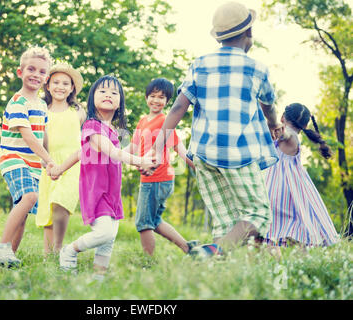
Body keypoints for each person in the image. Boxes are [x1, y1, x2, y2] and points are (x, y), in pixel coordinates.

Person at [150, 2, 283, 258]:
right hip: (238, 154)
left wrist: (158, 147)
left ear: (219, 37)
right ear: (249, 34)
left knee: (224, 220)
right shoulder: (257, 69)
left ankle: (216, 273)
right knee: (258, 213)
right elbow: (269, 105)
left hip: (203, 155)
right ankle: (213, 252)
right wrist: (273, 123)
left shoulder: (200, 64)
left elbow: (179, 106)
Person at [47, 75, 155, 280]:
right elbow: (114, 153)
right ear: (92, 98)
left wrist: (60, 168)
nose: (109, 95)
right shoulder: (92, 125)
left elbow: (84, 153)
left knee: (110, 237)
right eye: (103, 91)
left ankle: (98, 278)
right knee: (103, 233)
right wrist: (140, 160)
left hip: (112, 192)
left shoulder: (113, 130)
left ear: (120, 102)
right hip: (96, 190)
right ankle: (69, 251)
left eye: (114, 93)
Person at [0, 46, 56, 267]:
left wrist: (49, 159)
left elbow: (42, 134)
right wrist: (48, 158)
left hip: (34, 164)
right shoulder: (18, 102)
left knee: (24, 208)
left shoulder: (42, 105)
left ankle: (8, 256)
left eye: (42, 72)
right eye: (31, 69)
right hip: (14, 158)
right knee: (29, 197)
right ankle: (0, 247)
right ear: (20, 72)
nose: (36, 74)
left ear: (46, 78)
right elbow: (27, 136)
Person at [125, 78, 199, 256]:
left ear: (167, 101)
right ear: (146, 97)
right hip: (149, 179)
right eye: (152, 96)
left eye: (161, 97)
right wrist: (111, 154)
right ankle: (188, 248)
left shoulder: (165, 121)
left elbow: (180, 149)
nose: (156, 100)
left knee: (144, 223)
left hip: (159, 179)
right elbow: (132, 149)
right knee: (155, 220)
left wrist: (197, 167)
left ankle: (147, 262)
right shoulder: (143, 121)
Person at [264, 103, 339, 247]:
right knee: (297, 232)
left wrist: (281, 130)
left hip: (275, 188)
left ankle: (278, 265)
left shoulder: (289, 136)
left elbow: (287, 134)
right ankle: (293, 265)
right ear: (305, 126)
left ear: (282, 117)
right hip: (287, 191)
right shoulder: (287, 135)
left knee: (272, 232)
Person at [36, 63, 86, 256]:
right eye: (56, 82)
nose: (60, 87)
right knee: (49, 210)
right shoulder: (42, 111)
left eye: (66, 83)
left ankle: (58, 247)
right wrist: (45, 161)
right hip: (48, 163)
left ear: (72, 88)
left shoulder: (78, 111)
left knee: (60, 202)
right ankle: (49, 254)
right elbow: (40, 139)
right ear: (47, 86)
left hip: (72, 164)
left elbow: (83, 138)